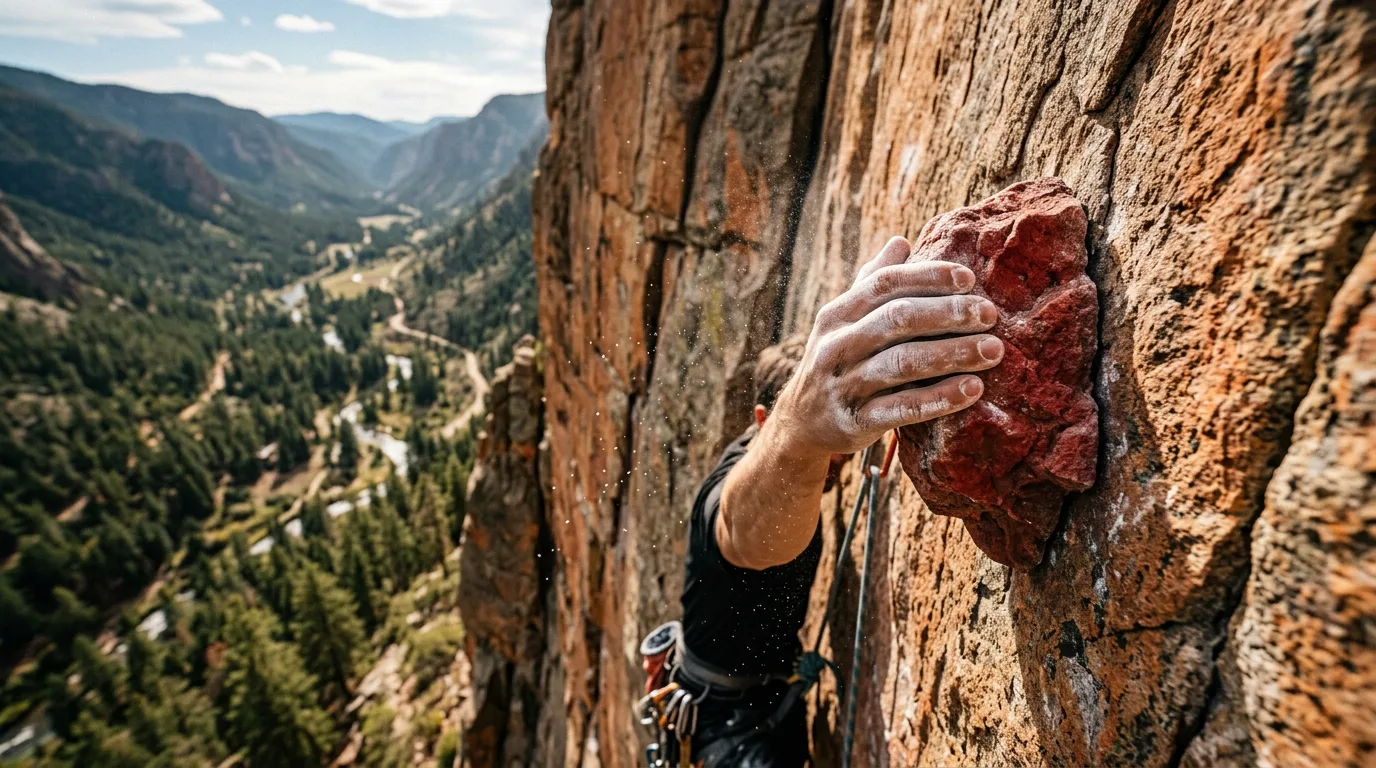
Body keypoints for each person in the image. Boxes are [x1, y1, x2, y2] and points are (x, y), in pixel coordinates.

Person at [640, 235, 1005, 767]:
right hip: (724, 728)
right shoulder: (735, 485)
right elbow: (740, 532)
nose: (836, 461)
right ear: (765, 420)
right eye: (826, 446)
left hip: (763, 705)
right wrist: (799, 435)